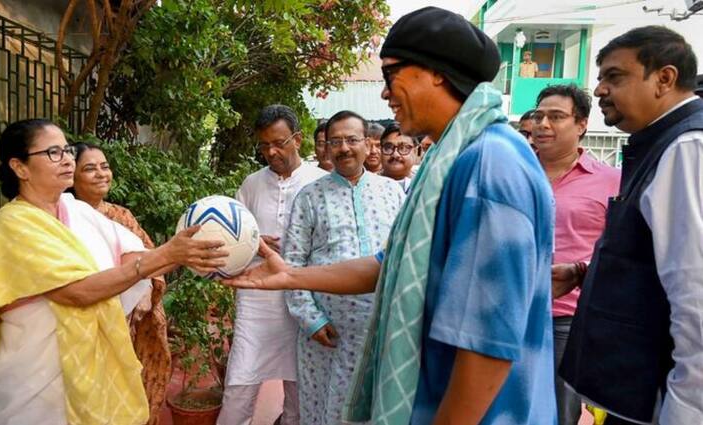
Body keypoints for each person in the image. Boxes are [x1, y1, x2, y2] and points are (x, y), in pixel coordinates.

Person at [226, 7, 556, 425]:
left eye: (390, 76)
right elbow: (389, 267)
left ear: (434, 72)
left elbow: (486, 344)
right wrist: (290, 276)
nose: (384, 94)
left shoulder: (489, 165)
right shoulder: (448, 160)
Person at [0, 119, 227, 425]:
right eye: (52, 152)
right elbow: (77, 291)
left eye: (67, 150)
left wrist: (198, 249)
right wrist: (166, 255)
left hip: (91, 371)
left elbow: (134, 259)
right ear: (20, 167)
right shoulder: (12, 225)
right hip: (34, 385)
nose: (66, 159)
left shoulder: (76, 210)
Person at [558, 26, 703, 425]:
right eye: (600, 77)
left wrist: (686, 411)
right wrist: (585, 273)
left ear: (665, 79)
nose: (600, 89)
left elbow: (695, 295)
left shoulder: (685, 150)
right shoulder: (658, 145)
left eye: (614, 76)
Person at [284, 110, 405, 424]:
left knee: (379, 409)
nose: (344, 148)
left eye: (352, 140)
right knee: (326, 410)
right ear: (325, 149)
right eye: (335, 141)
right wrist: (311, 320)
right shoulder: (309, 197)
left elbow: (406, 257)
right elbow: (292, 264)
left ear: (367, 144)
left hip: (381, 330)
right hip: (328, 335)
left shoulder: (392, 192)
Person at [217, 105, 327, 425]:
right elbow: (232, 236)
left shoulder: (320, 182)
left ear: (298, 139)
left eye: (278, 143)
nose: (271, 152)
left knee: (300, 388)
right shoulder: (251, 184)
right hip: (257, 301)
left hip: (303, 299)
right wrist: (255, 243)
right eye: (264, 145)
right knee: (240, 383)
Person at [531, 84, 620, 425]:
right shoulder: (514, 172)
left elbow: (617, 251)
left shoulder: (611, 181)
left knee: (558, 414)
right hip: (510, 311)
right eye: (539, 116)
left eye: (555, 117)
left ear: (581, 124)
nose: (543, 125)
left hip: (567, 321)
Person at [72, 142, 172, 425]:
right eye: (90, 168)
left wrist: (146, 294)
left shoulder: (121, 215)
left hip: (133, 324)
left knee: (137, 388)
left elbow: (153, 258)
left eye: (104, 166)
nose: (101, 174)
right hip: (88, 324)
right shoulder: (63, 219)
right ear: (72, 176)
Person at [379, 121, 418, 193]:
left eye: (403, 148)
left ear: (415, 152)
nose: (395, 155)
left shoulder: (422, 182)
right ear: (380, 151)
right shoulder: (369, 184)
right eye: (388, 148)